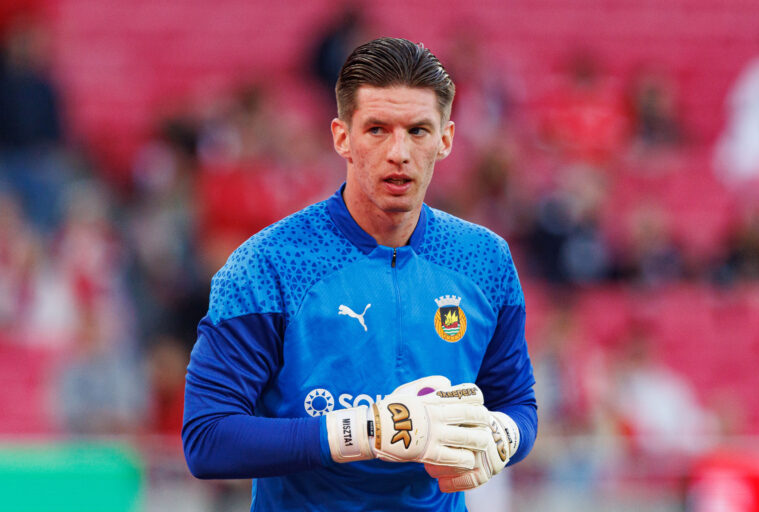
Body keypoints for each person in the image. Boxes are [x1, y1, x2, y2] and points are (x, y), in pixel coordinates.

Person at [182, 37, 538, 511]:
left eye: (418, 131)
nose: (399, 152)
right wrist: (366, 431)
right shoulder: (267, 264)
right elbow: (207, 439)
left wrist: (501, 437)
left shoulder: (485, 260)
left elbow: (518, 403)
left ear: (446, 139)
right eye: (377, 129)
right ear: (341, 137)